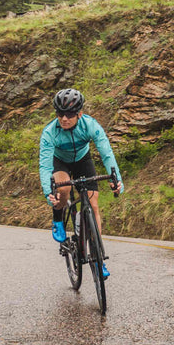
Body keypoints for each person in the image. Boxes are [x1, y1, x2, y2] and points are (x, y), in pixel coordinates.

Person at [39, 88, 124, 276]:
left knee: (94, 206)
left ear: (80, 114)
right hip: (60, 162)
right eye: (60, 114)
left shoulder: (90, 125)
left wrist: (117, 180)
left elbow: (106, 153)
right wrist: (49, 192)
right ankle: (57, 218)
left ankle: (98, 259)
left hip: (83, 161)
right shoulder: (49, 133)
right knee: (65, 189)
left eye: (69, 114)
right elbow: (45, 167)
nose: (64, 119)